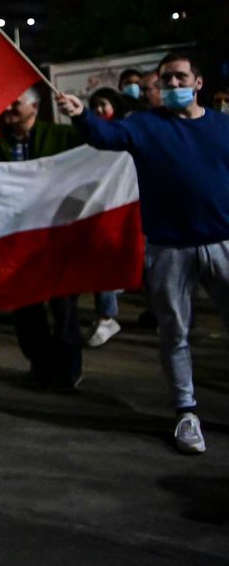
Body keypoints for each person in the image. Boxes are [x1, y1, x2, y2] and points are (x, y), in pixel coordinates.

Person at [58, 52, 229, 454]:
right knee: (175, 333)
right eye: (166, 79)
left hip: (223, 242)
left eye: (180, 78)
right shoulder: (145, 126)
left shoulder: (223, 127)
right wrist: (81, 115)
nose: (172, 85)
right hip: (169, 249)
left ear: (198, 82)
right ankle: (186, 412)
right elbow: (104, 136)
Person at [0, 86, 85, 391]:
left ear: (34, 106)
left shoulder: (61, 136)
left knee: (64, 306)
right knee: (26, 306)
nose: (8, 108)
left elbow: (94, 157)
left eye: (15, 102)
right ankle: (40, 364)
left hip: (58, 236)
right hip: (18, 238)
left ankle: (69, 369)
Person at [85, 88, 129, 348]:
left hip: (130, 207)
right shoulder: (89, 137)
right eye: (95, 106)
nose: (100, 111)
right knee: (102, 262)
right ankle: (106, 317)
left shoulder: (125, 132)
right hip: (104, 209)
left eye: (104, 105)